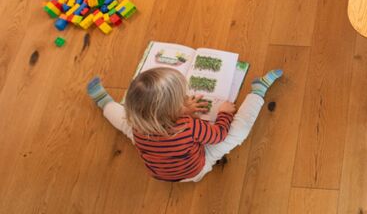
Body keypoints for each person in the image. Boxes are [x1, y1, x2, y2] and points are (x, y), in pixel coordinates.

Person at [86, 67, 282, 182]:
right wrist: (223, 113)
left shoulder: (137, 122)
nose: (187, 97)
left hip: (158, 172)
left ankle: (104, 102)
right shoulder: (188, 126)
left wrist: (182, 109)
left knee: (123, 122)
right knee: (238, 132)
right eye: (183, 98)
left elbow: (163, 118)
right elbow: (219, 135)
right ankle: (258, 91)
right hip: (194, 171)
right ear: (172, 111)